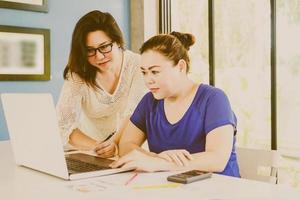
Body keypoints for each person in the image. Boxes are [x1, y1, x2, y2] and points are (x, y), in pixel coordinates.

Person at [111, 31, 240, 177]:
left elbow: (217, 159)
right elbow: (126, 145)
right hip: (176, 189)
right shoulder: (149, 101)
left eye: (155, 72)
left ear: (181, 67)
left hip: (220, 190)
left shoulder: (213, 99)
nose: (148, 80)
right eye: (144, 72)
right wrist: (156, 158)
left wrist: (160, 164)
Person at [56, 10, 146, 158]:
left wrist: (114, 144)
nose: (99, 56)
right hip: (90, 151)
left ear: (117, 41)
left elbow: (134, 113)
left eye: (104, 46)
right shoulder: (78, 73)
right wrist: (98, 147)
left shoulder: (138, 65)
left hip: (129, 149)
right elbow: (63, 125)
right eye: (90, 50)